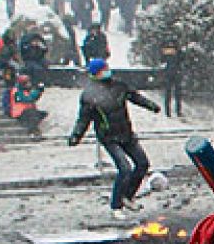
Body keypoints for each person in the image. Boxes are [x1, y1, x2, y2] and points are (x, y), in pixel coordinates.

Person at [67, 58, 159, 218]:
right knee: (124, 169)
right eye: (103, 69)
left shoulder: (119, 86)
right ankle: (116, 206)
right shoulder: (90, 94)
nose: (107, 70)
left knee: (142, 164)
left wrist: (151, 106)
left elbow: (135, 97)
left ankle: (128, 196)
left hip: (126, 133)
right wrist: (76, 135)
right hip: (109, 137)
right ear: (95, 73)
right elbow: (83, 119)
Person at [159, 42, 183, 117]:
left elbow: (162, 60)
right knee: (175, 93)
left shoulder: (166, 50)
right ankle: (176, 112)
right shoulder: (177, 49)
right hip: (174, 73)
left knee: (169, 93)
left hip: (169, 73)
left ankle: (169, 112)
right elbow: (181, 59)